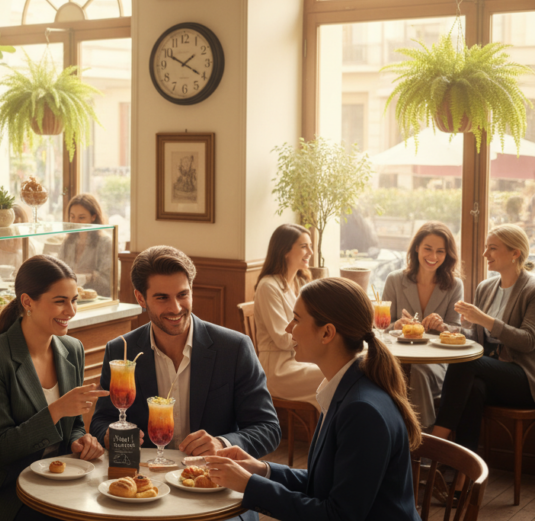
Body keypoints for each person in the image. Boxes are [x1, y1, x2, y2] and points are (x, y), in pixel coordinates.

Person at [204, 278, 422, 521]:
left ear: (327, 333)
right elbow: (325, 485)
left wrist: (250, 485)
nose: (289, 328)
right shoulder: (344, 388)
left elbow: (337, 516)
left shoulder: (362, 410)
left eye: (296, 319)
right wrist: (260, 470)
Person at [0, 255, 108, 521]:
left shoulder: (72, 349)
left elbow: (75, 423)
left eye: (74, 300)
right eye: (60, 301)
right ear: (27, 302)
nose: (71, 311)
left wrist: (81, 440)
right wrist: (55, 411)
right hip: (0, 492)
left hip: (54, 483)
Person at [89, 246, 280, 463]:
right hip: (143, 481)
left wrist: (221, 443)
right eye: (162, 298)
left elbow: (268, 429)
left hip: (210, 480)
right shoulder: (120, 350)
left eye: (183, 295)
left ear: (191, 289)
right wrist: (108, 435)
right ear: (141, 299)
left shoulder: (234, 348)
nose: (176, 308)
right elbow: (102, 420)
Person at [433, 224, 535, 455]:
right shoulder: (486, 287)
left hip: (524, 379)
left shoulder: (532, 289)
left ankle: (436, 440)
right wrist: (448, 329)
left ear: (515, 253)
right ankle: (464, 476)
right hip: (491, 374)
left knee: (467, 361)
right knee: (474, 389)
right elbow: (477, 338)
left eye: (492, 248)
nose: (485, 254)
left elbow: (528, 341)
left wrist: (485, 319)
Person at [381, 222, 463, 429]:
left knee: (416, 372)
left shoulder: (454, 285)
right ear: (417, 247)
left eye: (440, 251)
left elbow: (456, 329)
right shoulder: (395, 280)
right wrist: (396, 325)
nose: (433, 256)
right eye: (428, 248)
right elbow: (381, 327)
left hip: (436, 362)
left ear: (447, 254)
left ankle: (422, 443)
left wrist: (442, 326)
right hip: (398, 358)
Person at [254, 224, 323, 408]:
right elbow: (281, 339)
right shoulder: (268, 286)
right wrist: (316, 337)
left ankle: (334, 430)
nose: (310, 252)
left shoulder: (301, 283)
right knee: (334, 373)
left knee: (344, 367)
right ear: (285, 251)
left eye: (310, 246)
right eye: (304, 246)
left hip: (301, 360)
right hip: (278, 370)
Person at [58, 193, 114, 297]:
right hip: (70, 297)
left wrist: (88, 277)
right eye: (72, 217)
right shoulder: (68, 241)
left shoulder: (105, 242)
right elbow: (58, 270)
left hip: (98, 299)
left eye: (81, 217)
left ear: (93, 217)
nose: (76, 222)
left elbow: (108, 281)